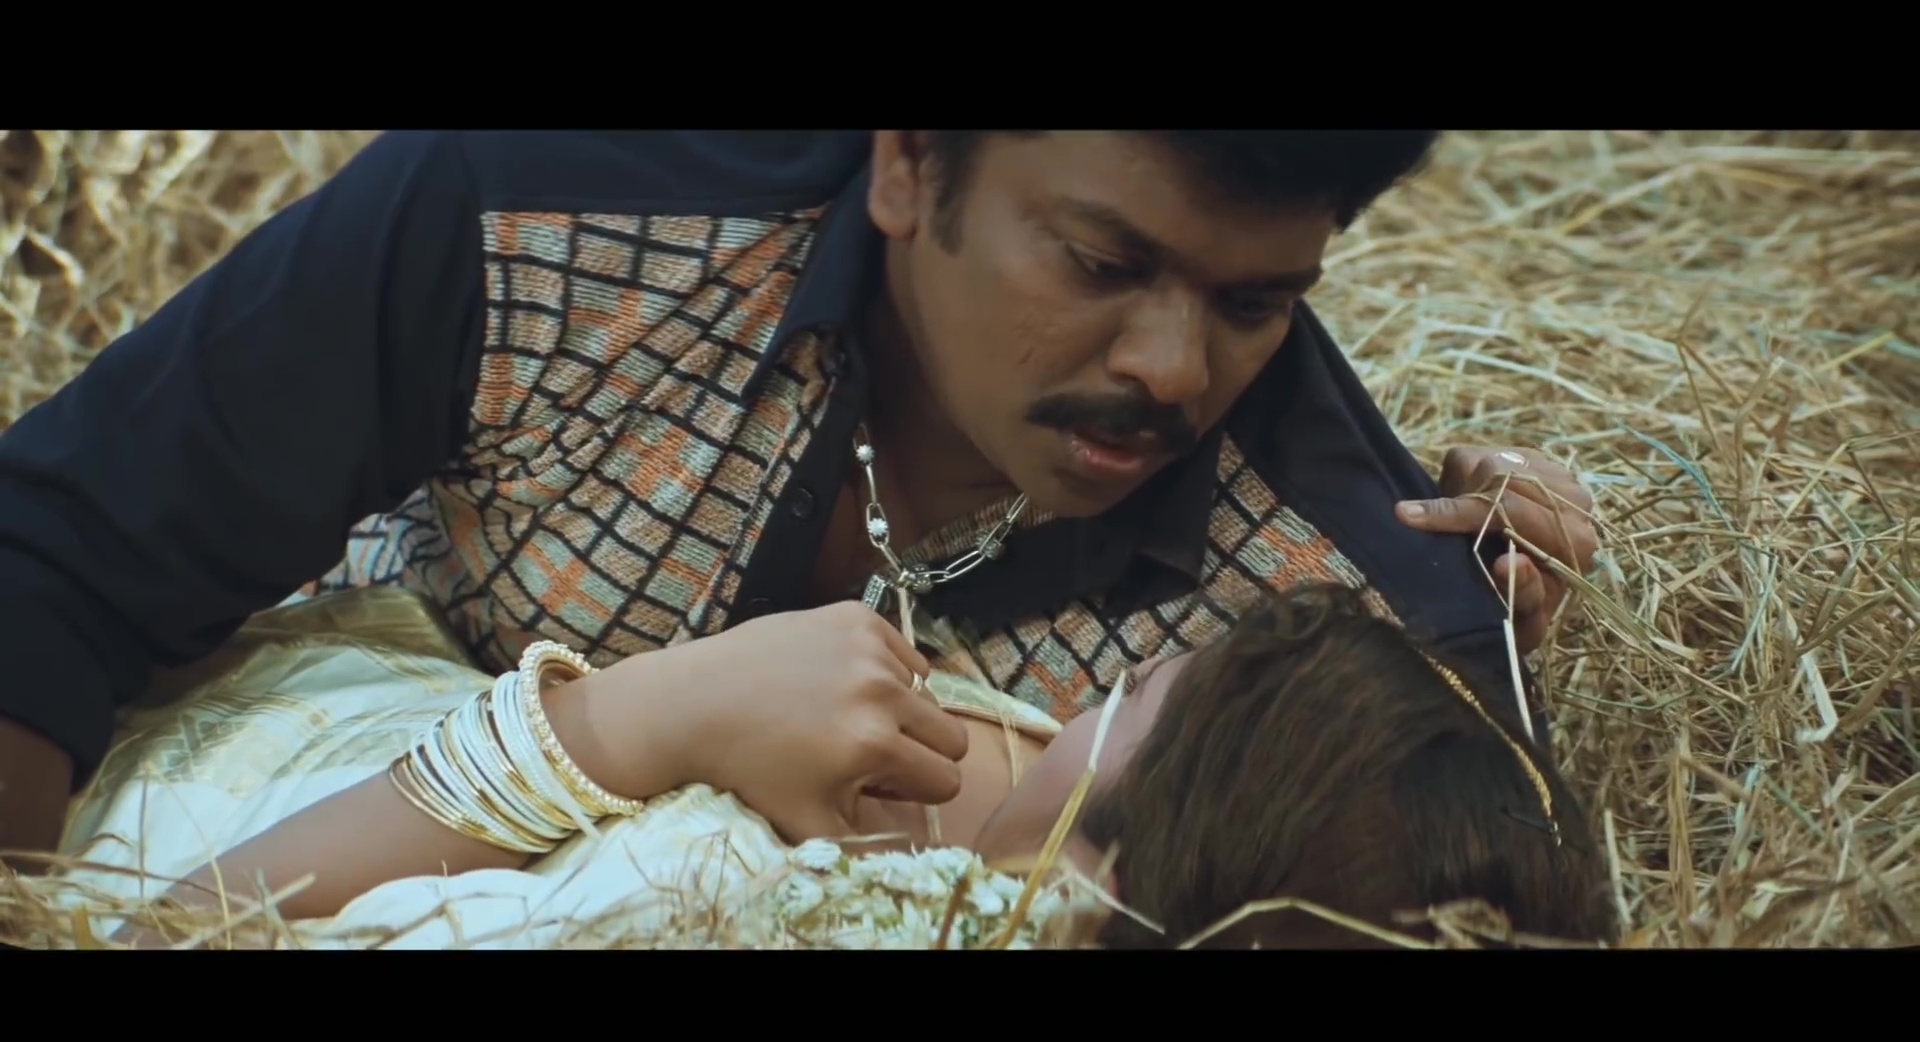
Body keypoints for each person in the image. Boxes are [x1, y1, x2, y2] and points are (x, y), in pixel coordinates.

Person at [0, 131, 1602, 864]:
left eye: (1258, 303)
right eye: (1100, 262)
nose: (1174, 369)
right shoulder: (538, 226)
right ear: (907, 164)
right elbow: (53, 568)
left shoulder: (1334, 611)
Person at [11, 581, 1614, 950]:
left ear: (1113, 878)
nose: (1077, 701)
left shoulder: (714, 899)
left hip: (153, 777)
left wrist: (633, 723)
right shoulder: (987, 849)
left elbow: (165, 928)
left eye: (1134, 698)